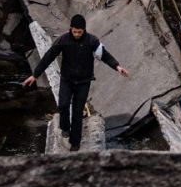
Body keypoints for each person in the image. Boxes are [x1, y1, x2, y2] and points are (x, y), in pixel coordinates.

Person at [22, 14, 130, 150]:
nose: (77, 34)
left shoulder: (92, 41)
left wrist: (117, 67)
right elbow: (48, 57)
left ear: (84, 30)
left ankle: (75, 142)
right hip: (67, 80)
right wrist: (35, 75)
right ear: (70, 29)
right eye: (75, 31)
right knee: (63, 105)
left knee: (78, 112)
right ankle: (65, 127)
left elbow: (105, 56)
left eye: (80, 32)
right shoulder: (63, 40)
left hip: (84, 82)